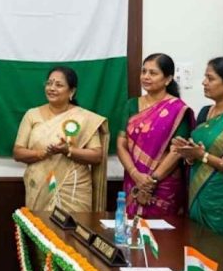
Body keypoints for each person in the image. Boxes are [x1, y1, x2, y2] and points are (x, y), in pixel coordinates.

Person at [172, 56, 223, 241]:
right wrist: (188, 153)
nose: (204, 82)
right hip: (196, 191)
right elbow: (197, 151)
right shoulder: (204, 112)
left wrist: (202, 155)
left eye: (210, 78)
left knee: (219, 252)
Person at [12, 66, 108, 213]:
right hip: (40, 185)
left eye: (59, 85)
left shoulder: (83, 117)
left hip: (74, 187)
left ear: (72, 91)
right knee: (42, 231)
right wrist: (41, 154)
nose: (52, 88)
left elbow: (96, 156)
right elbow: (18, 153)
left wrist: (68, 150)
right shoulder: (32, 115)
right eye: (49, 83)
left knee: (73, 232)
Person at [116, 53, 194, 219]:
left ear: (168, 79)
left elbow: (177, 150)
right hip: (133, 180)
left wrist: (150, 181)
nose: (146, 76)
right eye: (143, 71)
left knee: (163, 237)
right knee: (130, 233)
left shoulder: (178, 109)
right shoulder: (131, 104)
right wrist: (136, 175)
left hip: (163, 184)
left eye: (153, 73)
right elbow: (121, 144)